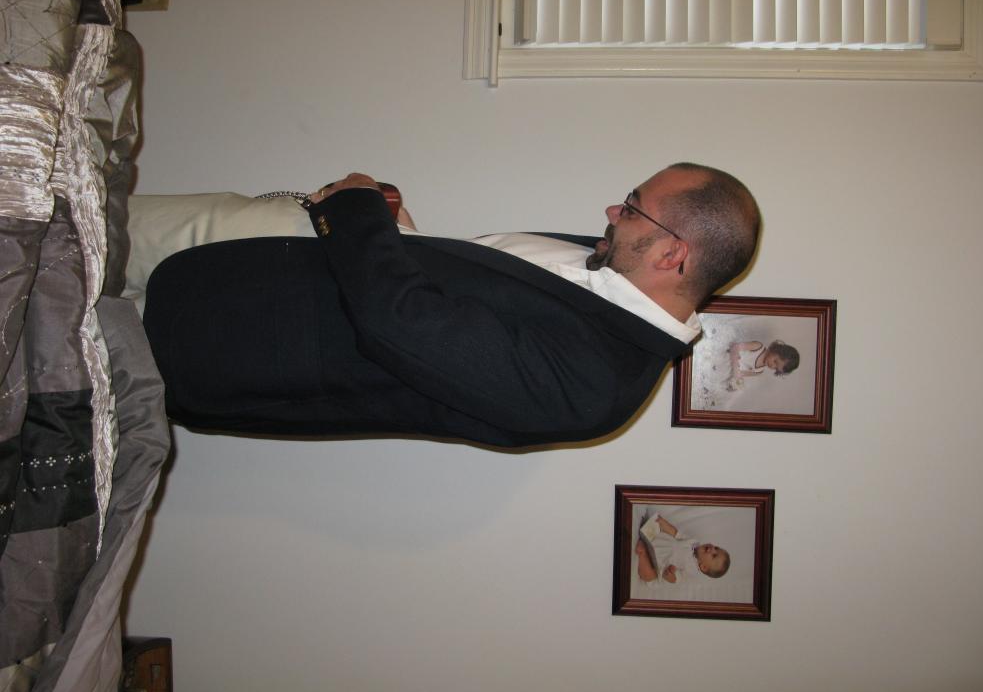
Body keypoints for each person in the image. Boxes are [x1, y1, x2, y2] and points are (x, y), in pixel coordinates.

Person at [140, 162, 760, 447]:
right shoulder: (601, 257)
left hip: (222, 337)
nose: (612, 211)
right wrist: (404, 235)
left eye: (632, 207)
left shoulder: (595, 387)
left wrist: (357, 207)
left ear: (671, 254)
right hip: (249, 246)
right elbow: (453, 302)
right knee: (85, 215)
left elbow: (400, 326)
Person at [635, 513, 730, 583]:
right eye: (716, 548)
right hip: (658, 541)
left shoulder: (692, 571)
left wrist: (671, 575)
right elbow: (676, 533)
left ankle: (643, 554)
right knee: (653, 526)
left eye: (714, 555)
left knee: (650, 577)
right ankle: (645, 533)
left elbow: (677, 579)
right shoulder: (694, 542)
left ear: (704, 567)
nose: (712, 548)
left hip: (658, 565)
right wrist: (664, 523)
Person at [726, 339, 800, 391]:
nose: (772, 366)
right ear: (776, 350)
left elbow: (739, 374)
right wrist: (735, 369)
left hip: (726, 367)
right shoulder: (758, 347)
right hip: (727, 354)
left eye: (776, 368)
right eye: (775, 361)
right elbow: (735, 347)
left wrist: (736, 383)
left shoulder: (759, 371)